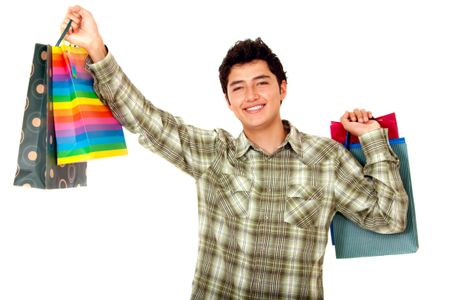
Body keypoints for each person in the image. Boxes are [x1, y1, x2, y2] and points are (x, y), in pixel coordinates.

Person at [61, 5, 408, 299]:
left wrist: (373, 139)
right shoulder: (214, 153)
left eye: (262, 83)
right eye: (238, 88)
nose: (251, 96)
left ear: (282, 88)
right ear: (229, 102)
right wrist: (96, 47)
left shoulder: (326, 159)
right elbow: (145, 119)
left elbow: (391, 219)